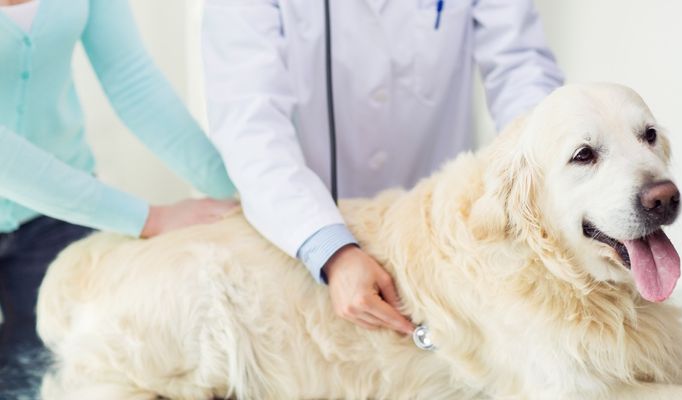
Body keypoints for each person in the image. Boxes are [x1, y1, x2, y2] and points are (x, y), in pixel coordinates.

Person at [202, 0, 564, 334]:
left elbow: (521, 70)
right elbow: (250, 123)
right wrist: (329, 248)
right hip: (306, 231)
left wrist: (541, 180)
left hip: (437, 234)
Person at [0, 0, 237, 393]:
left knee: (49, 383)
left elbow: (133, 81)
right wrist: (148, 217)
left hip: (56, 220)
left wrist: (238, 196)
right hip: (74, 200)